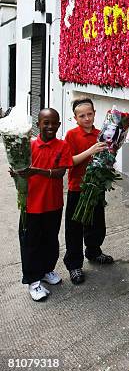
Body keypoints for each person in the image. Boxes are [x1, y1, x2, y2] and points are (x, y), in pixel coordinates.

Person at [11, 108, 73, 302]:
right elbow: (19, 168)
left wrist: (36, 171)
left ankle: (47, 270)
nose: (50, 126)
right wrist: (16, 172)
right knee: (31, 243)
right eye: (46, 123)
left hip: (53, 204)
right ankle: (33, 280)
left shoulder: (63, 146)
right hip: (31, 205)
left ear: (59, 125)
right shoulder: (27, 146)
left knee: (51, 240)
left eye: (54, 123)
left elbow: (60, 173)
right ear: (38, 125)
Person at [63, 98, 113, 285]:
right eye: (82, 115)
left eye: (89, 114)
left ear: (94, 113)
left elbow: (107, 158)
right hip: (78, 187)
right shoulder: (71, 135)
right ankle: (74, 264)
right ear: (75, 118)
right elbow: (69, 161)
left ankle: (94, 252)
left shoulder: (101, 134)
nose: (86, 118)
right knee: (74, 228)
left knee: (96, 223)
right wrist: (90, 151)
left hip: (96, 186)